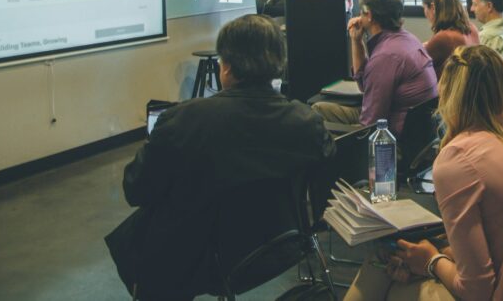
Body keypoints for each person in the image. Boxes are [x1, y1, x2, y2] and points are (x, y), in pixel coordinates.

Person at [105, 15, 335, 301]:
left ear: (225, 67)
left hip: (196, 260)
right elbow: (324, 167)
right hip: (280, 245)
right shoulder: (306, 121)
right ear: (279, 64)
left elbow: (136, 189)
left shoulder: (183, 121)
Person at [344, 46, 503, 301]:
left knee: (393, 280)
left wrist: (431, 260)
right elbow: (501, 237)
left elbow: (477, 291)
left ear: (448, 95)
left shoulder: (458, 159)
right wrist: (437, 255)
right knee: (394, 261)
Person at [313, 0, 436, 134]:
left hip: (391, 140)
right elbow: (365, 86)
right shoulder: (408, 39)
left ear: (369, 15)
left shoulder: (386, 56)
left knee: (315, 119)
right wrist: (356, 41)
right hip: (416, 134)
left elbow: (369, 126)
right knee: (319, 109)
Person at [420, 0, 479, 75]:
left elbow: (415, 66)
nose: (425, 12)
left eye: (424, 7)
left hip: (449, 89)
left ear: (433, 7)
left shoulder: (444, 38)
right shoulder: (472, 28)